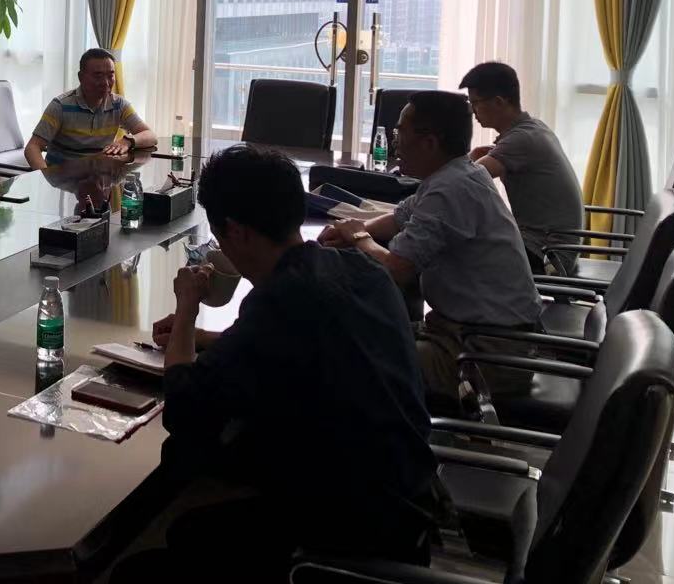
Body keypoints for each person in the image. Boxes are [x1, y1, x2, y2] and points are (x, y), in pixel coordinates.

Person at [114, 145, 436, 582]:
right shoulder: (358, 269)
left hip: (354, 525)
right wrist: (206, 340)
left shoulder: (282, 300)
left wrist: (187, 307)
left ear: (236, 231)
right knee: (195, 523)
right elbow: (294, 343)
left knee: (146, 563)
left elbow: (185, 411)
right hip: (408, 498)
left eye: (219, 236)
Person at [319, 91, 542, 412]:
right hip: (470, 337)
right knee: (359, 330)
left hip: (483, 358)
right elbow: (400, 216)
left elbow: (397, 269)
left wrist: (358, 237)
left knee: (346, 357)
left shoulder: (450, 190)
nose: (395, 144)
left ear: (429, 143)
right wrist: (353, 228)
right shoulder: (460, 174)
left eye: (400, 133)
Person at [460, 60, 583, 274]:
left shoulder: (521, 139)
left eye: (476, 103)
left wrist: (469, 158)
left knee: (451, 255)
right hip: (551, 246)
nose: (472, 111)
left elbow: (463, 182)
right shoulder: (534, 128)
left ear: (498, 102)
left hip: (547, 255)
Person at [23, 48, 156, 169]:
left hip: (99, 179)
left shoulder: (119, 105)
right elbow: (32, 147)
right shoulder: (61, 106)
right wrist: (46, 178)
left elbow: (150, 136)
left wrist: (127, 141)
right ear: (81, 77)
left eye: (110, 75)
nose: (106, 83)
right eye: (98, 76)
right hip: (63, 181)